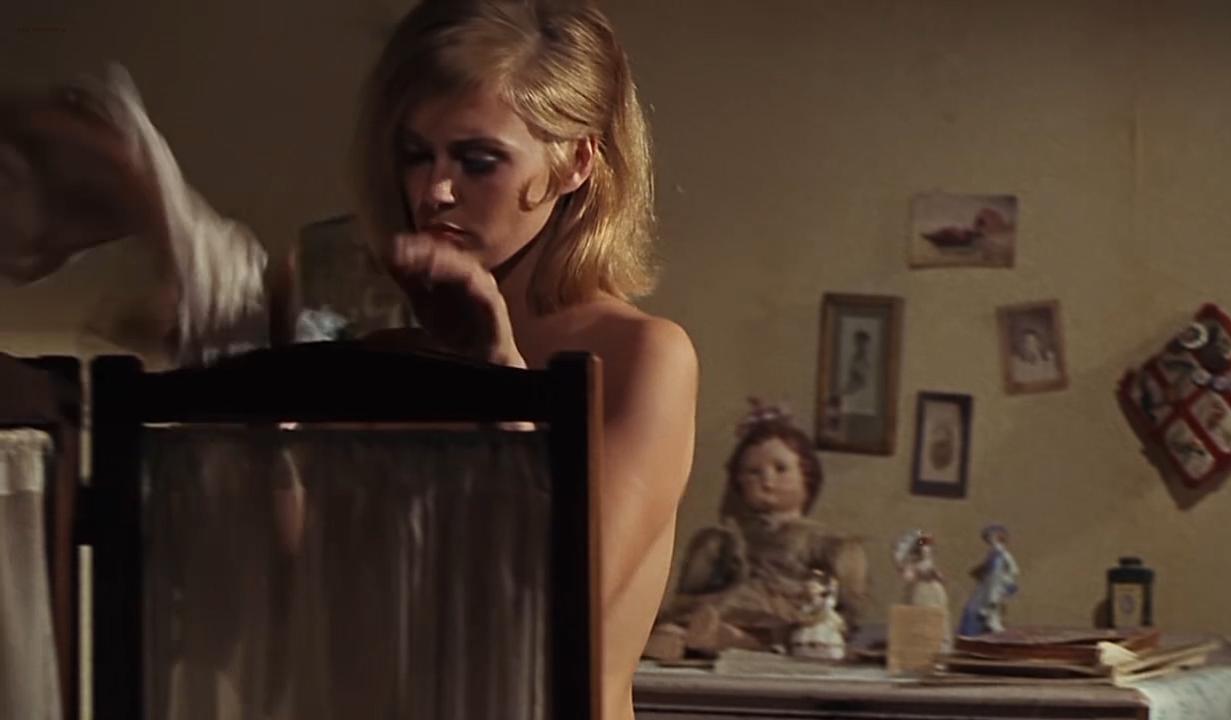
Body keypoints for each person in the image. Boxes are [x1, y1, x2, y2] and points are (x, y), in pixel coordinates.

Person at [1, 2, 698, 718]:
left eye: (477, 160)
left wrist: (499, 377)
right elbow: (303, 589)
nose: (434, 192)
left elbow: (547, 610)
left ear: (576, 161)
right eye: (416, 154)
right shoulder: (380, 350)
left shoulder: (642, 356)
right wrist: (234, 368)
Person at [645, 399, 867, 660]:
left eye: (781, 469)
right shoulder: (724, 540)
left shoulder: (826, 543)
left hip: (787, 619)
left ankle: (722, 639)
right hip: (722, 609)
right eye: (753, 472)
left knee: (786, 634)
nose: (767, 480)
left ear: (807, 475)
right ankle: (674, 639)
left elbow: (846, 610)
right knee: (683, 623)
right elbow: (691, 594)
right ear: (739, 481)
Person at [958, 524, 1019, 636]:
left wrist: (1006, 581)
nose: (990, 539)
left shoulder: (1002, 554)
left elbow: (1013, 569)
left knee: (992, 604)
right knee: (978, 605)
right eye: (988, 537)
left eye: (991, 536)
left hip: (995, 584)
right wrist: (981, 571)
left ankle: (992, 624)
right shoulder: (993, 554)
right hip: (987, 584)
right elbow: (988, 567)